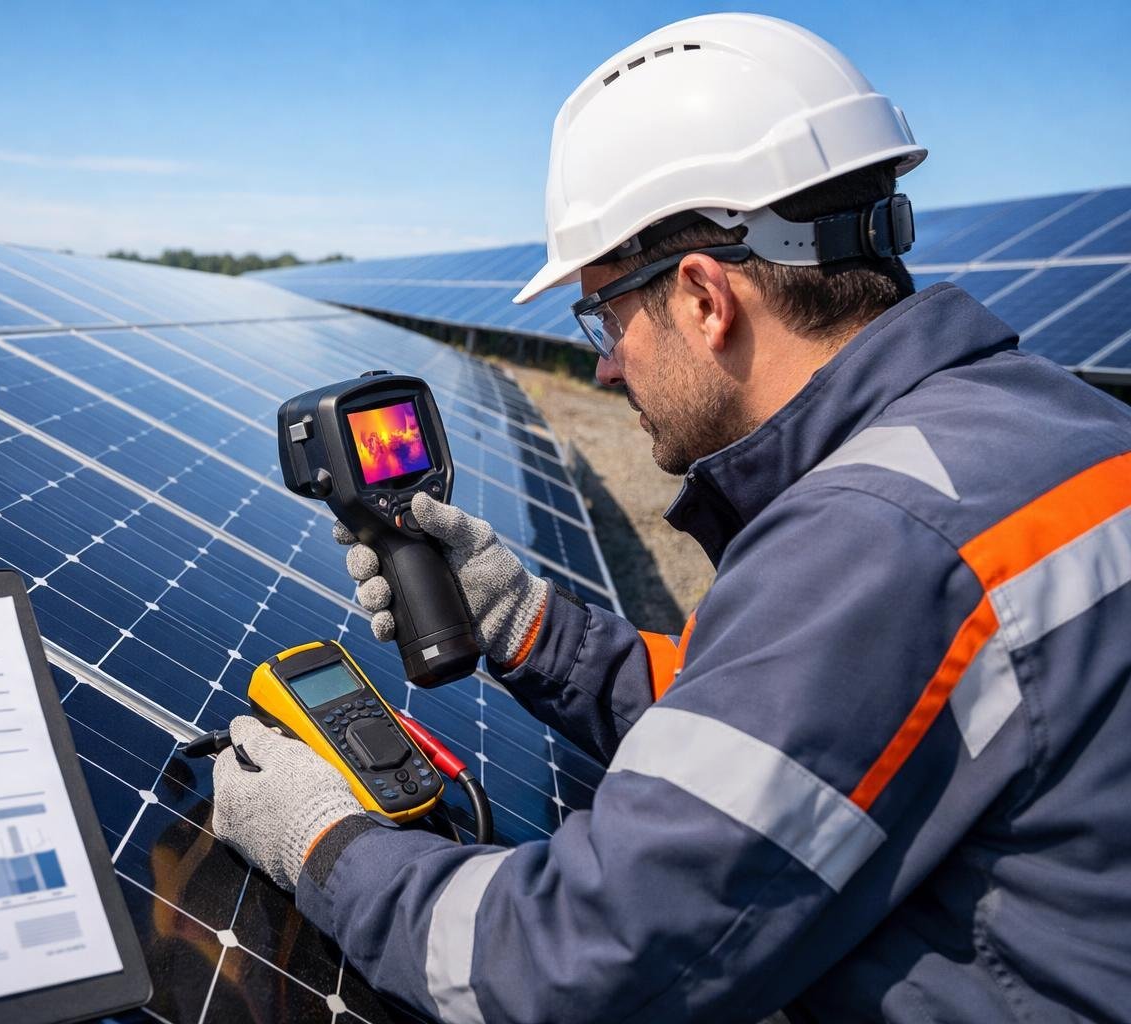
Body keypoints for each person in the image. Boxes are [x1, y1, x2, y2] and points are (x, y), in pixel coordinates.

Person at [210, 13, 1131, 1023]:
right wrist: (529, 626)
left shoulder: (878, 537)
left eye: (605, 315)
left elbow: (585, 960)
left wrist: (326, 846)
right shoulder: (1059, 424)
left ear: (702, 298)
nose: (604, 363)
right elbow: (782, 723)